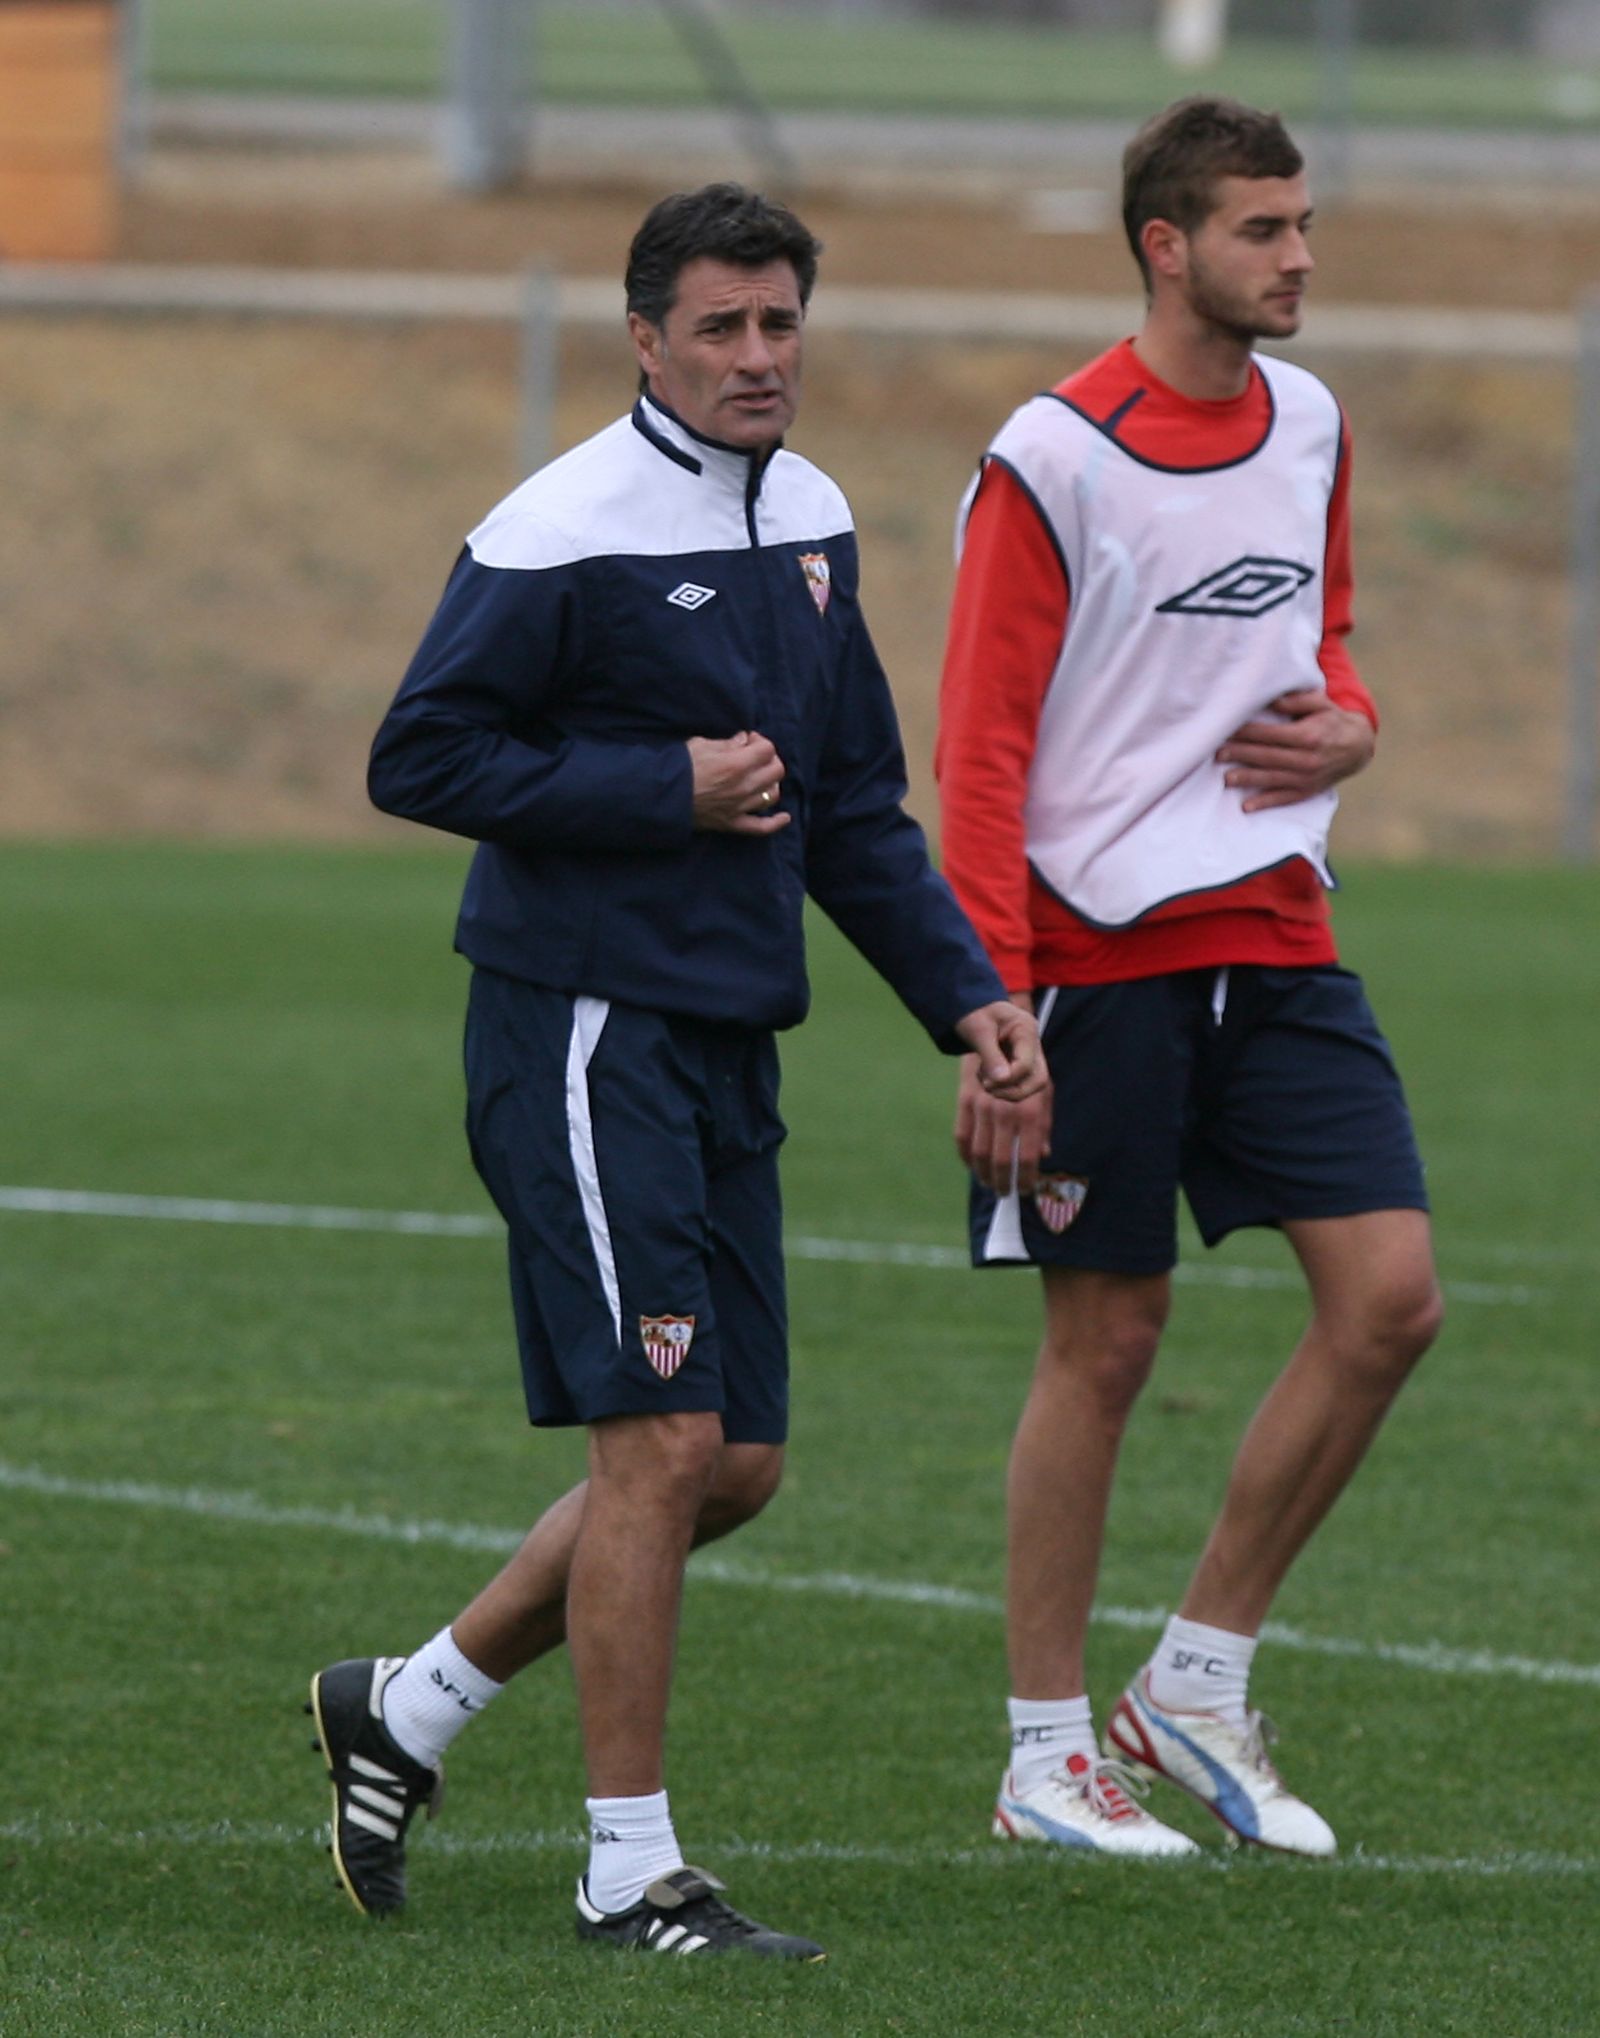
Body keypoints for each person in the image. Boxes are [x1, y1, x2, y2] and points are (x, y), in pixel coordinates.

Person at [308, 182, 1042, 1962]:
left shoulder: (814, 517)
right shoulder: (562, 526)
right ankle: (630, 1873)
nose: (758, 355)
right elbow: (420, 755)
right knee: (661, 1439)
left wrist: (968, 997)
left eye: (781, 321)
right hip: (583, 1028)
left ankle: (407, 1705)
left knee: (741, 1462)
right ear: (646, 339)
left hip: (727, 1038)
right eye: (721, 325)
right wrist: (666, 788)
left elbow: (853, 805)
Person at [935, 97, 1443, 1862]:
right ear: (1167, 245)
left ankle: (1198, 1685)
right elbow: (979, 758)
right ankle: (1045, 1751)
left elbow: (1328, 641)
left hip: (1280, 935)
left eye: (1304, 225)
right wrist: (990, 1012)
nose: (1299, 258)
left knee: (1390, 1301)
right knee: (1109, 1339)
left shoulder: (1312, 421)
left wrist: (1355, 725)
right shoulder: (1052, 456)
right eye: (1262, 229)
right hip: (1091, 960)